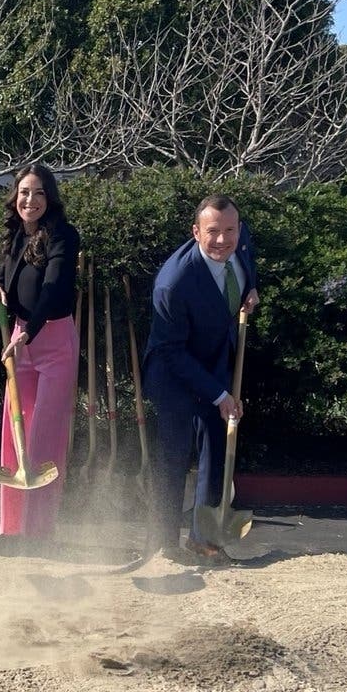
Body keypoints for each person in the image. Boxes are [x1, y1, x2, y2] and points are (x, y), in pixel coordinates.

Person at [143, 195, 259, 566]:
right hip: (173, 372)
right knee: (173, 456)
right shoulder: (173, 284)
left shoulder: (239, 243)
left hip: (215, 363)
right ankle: (163, 544)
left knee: (217, 449)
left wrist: (250, 287)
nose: (223, 240)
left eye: (230, 230)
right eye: (212, 232)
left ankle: (204, 538)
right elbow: (173, 352)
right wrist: (219, 394)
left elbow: (246, 255)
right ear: (196, 232)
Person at [0, 163, 80, 539]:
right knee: (14, 431)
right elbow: (1, 274)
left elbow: (55, 287)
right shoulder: (15, 234)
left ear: (49, 198)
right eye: (24, 192)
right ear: (16, 197)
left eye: (38, 193)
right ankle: (12, 529)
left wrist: (31, 331)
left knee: (43, 436)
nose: (30, 200)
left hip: (53, 341)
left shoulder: (63, 236)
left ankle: (39, 530)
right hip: (19, 338)